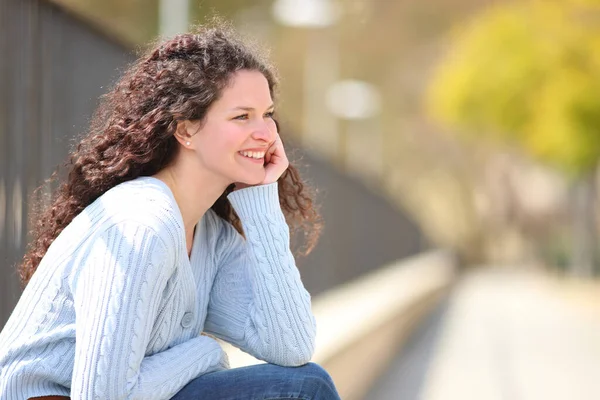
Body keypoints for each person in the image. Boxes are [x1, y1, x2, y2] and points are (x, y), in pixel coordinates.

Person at [0, 20, 341, 400]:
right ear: (185, 130)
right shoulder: (141, 225)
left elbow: (291, 347)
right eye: (242, 116)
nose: (265, 133)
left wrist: (261, 200)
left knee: (305, 384)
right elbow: (104, 396)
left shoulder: (211, 237)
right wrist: (205, 351)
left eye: (267, 114)